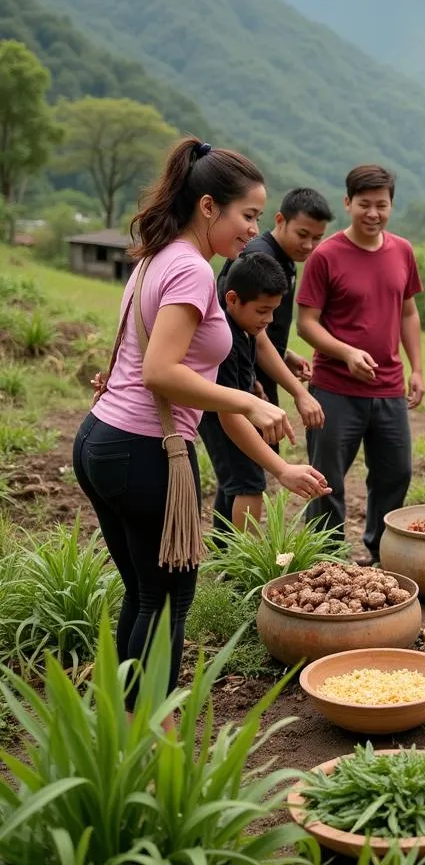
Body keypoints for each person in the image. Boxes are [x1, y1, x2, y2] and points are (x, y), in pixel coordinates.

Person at [74, 138, 295, 709]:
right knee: (169, 596)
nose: (253, 229)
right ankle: (151, 729)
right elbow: (160, 371)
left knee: (147, 592)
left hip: (104, 439)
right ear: (207, 207)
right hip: (143, 449)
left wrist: (274, 460)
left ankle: (123, 725)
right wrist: (248, 401)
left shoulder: (156, 256)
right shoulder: (192, 269)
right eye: (247, 215)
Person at [297, 164, 424, 566]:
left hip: (389, 387)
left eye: (381, 205)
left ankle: (379, 551)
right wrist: (346, 353)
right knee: (327, 481)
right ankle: (328, 559)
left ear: (391, 205)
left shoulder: (402, 250)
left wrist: (417, 367)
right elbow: (306, 324)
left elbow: (408, 313)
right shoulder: (326, 255)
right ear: (348, 203)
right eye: (364, 204)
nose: (373, 213)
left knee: (396, 473)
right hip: (335, 389)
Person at [199, 252, 330, 532]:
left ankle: (226, 550)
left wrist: (257, 386)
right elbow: (228, 413)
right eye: (262, 311)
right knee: (249, 485)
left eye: (273, 310)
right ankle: (244, 562)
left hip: (237, 411)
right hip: (222, 418)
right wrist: (281, 468)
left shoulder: (242, 325)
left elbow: (252, 356)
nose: (268, 319)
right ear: (232, 299)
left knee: (237, 479)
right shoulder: (224, 338)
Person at [217, 186, 333, 408]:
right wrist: (300, 393)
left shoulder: (287, 260)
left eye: (317, 238)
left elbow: (254, 325)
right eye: (302, 234)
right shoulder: (259, 258)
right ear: (281, 220)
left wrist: (283, 353)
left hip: (259, 374)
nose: (309, 245)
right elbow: (241, 328)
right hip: (241, 379)